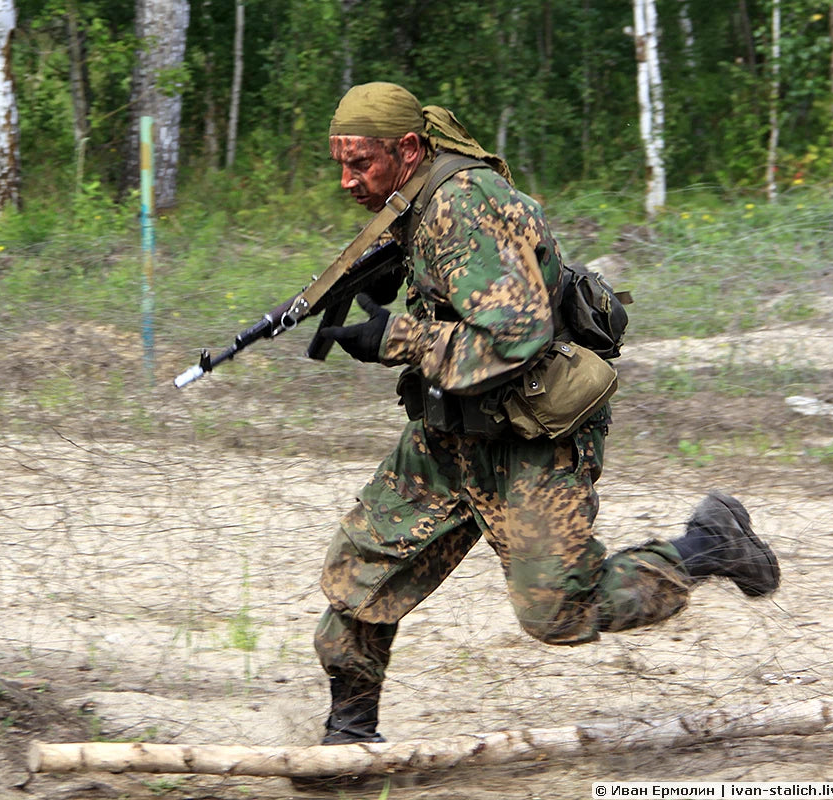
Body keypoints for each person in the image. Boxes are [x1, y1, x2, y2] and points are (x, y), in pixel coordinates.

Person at [309, 82, 780, 746]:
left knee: (560, 609)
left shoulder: (459, 206)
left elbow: (514, 338)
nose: (346, 179)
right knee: (362, 571)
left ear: (409, 148)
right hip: (453, 428)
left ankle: (710, 544)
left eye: (361, 163)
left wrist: (394, 338)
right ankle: (350, 737)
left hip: (532, 435)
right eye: (340, 162)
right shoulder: (418, 201)